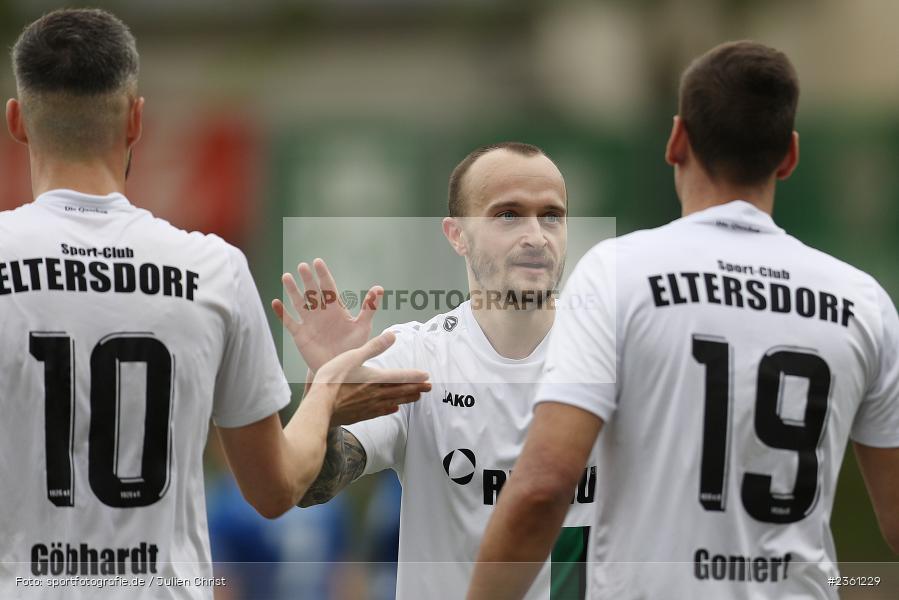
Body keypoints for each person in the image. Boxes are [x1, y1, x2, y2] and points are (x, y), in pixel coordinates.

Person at [0, 9, 428, 599]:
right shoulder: (212, 269)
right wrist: (325, 388)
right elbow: (274, 488)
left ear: (17, 121)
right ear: (135, 120)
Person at [468, 41, 899, 600]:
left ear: (677, 140)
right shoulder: (862, 300)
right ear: (788, 156)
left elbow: (544, 486)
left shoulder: (617, 271)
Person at [274, 141, 598, 599]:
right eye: (507, 215)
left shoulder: (611, 354)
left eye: (552, 215)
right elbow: (309, 486)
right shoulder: (414, 358)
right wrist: (328, 396)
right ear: (456, 234)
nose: (536, 235)